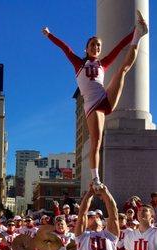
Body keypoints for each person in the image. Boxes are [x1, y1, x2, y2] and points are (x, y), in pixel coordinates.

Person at [42, 10, 148, 189]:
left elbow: (120, 45)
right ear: (86, 48)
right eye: (92, 45)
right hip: (93, 106)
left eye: (98, 46)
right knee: (97, 141)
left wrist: (134, 32)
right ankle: (96, 178)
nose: (96, 48)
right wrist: (50, 35)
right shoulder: (79, 63)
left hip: (105, 97)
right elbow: (65, 48)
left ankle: (139, 35)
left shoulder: (103, 63)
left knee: (122, 70)